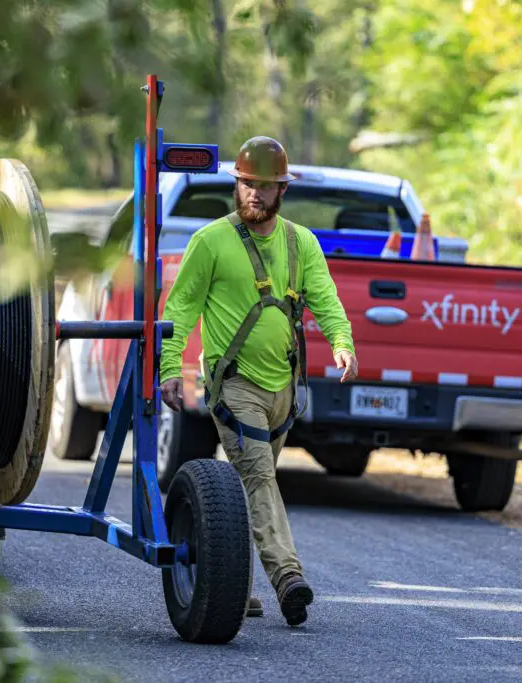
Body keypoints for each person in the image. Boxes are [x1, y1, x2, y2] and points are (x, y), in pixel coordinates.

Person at [159, 136, 358, 627]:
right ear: (237, 184)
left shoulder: (301, 243)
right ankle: (288, 576)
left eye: (265, 187)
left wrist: (342, 341)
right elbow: (179, 311)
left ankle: (226, 585)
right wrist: (168, 369)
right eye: (247, 184)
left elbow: (326, 301)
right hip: (234, 386)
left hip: (283, 390)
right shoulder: (210, 242)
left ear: (281, 190)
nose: (254, 195)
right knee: (259, 478)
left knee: (246, 487)